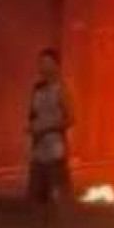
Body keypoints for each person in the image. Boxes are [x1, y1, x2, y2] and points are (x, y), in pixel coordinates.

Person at [26, 48, 76, 218]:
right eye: (41, 63)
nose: (43, 67)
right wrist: (31, 128)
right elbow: (32, 114)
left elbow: (70, 118)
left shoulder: (61, 89)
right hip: (38, 148)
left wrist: (48, 127)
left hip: (55, 148)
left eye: (48, 63)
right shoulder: (37, 89)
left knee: (58, 191)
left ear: (56, 66)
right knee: (35, 192)